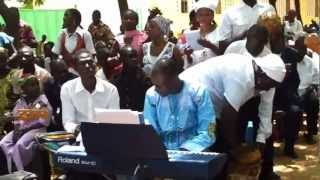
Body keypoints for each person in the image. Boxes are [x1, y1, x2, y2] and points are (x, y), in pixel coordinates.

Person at [180, 53, 286, 156]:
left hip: (210, 106)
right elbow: (228, 115)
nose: (269, 89)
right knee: (202, 144)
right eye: (270, 85)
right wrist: (235, 147)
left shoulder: (268, 81)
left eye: (274, 86)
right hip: (188, 97)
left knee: (215, 143)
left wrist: (261, 138)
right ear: (261, 74)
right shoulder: (240, 74)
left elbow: (266, 108)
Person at [144, 58, 216, 152]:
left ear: (173, 79)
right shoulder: (151, 95)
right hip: (164, 153)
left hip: (195, 151)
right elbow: (150, 130)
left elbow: (209, 131)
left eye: (159, 86)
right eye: (154, 85)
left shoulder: (198, 92)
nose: (156, 90)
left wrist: (186, 150)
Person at [0, 76, 52, 173]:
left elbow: (42, 122)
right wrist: (16, 130)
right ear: (23, 88)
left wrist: (24, 130)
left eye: (36, 84)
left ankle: (21, 171)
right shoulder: (21, 101)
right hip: (21, 129)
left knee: (20, 145)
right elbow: (17, 117)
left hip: (36, 129)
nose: (35, 87)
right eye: (31, 85)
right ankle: (11, 166)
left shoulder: (42, 101)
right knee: (3, 143)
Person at [61, 49, 119, 134]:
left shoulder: (111, 90)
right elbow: (68, 121)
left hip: (105, 135)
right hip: (79, 136)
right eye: (83, 64)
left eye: (90, 62)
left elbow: (114, 121)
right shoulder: (67, 89)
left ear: (95, 64)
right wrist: (80, 130)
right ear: (76, 68)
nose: (88, 66)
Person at [295, 36, 319, 145]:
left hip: (306, 93)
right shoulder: (288, 61)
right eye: (299, 48)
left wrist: (311, 89)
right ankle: (288, 135)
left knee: (314, 101)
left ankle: (310, 133)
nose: (301, 52)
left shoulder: (310, 63)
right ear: (294, 48)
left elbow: (316, 82)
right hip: (292, 94)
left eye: (303, 49)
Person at [111, 45, 152, 111]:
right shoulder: (116, 80)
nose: (134, 59)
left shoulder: (145, 79)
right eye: (131, 56)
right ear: (122, 59)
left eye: (136, 56)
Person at [182, 0, 221, 68]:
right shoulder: (191, 35)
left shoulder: (220, 32)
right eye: (200, 15)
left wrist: (210, 46)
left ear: (212, 16)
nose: (203, 18)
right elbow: (190, 61)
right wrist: (188, 55)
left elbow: (224, 54)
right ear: (197, 17)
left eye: (207, 15)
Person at [44, 58, 77, 131]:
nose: (63, 75)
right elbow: (49, 103)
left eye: (65, 71)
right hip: (57, 116)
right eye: (59, 72)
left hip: (74, 115)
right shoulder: (49, 84)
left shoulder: (75, 81)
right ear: (52, 73)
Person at [0, 47, 19, 134]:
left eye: (2, 59)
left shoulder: (15, 75)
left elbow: (21, 98)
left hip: (11, 117)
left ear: (7, 59)